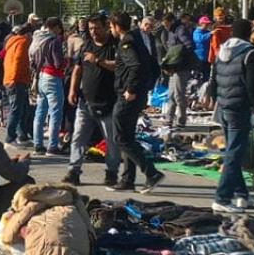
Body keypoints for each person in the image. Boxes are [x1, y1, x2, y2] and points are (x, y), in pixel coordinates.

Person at [210, 22, 254, 213]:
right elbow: (252, 87)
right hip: (239, 108)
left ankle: (242, 194)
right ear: (248, 33)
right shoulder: (250, 53)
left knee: (233, 151)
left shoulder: (221, 51)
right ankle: (222, 198)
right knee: (234, 154)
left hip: (224, 106)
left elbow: (213, 80)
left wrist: (215, 99)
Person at [109, 13, 166, 193]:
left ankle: (151, 172)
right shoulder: (137, 39)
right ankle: (128, 179)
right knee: (128, 137)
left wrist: (132, 89)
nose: (110, 30)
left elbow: (136, 66)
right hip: (137, 95)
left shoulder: (127, 43)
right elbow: (153, 66)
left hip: (128, 97)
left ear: (116, 26)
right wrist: (144, 89)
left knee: (120, 138)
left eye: (111, 26)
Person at [61, 15, 120, 187]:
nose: (94, 32)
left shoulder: (115, 45)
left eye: (97, 28)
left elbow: (119, 66)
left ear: (106, 27)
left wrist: (98, 61)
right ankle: (73, 171)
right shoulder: (86, 45)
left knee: (111, 140)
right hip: (85, 102)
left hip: (108, 103)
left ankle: (112, 172)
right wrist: (72, 90)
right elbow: (77, 69)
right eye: (91, 28)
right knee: (78, 137)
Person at [27, 17, 68, 155]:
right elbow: (58, 63)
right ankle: (52, 146)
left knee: (40, 112)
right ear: (56, 27)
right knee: (55, 112)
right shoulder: (54, 41)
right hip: (53, 77)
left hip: (40, 77)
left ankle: (38, 145)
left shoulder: (37, 38)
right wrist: (68, 60)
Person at [1, 21, 34, 146]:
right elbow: (18, 60)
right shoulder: (23, 43)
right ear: (28, 34)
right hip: (17, 80)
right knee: (16, 110)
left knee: (22, 109)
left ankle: (22, 135)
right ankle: (10, 138)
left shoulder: (12, 42)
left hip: (10, 78)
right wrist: (15, 78)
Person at [161, 13, 196, 128]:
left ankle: (181, 120)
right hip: (174, 68)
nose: (165, 26)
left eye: (166, 24)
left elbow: (189, 45)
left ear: (171, 21)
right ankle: (169, 118)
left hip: (181, 67)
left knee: (178, 95)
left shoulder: (180, 30)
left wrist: (177, 56)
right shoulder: (171, 32)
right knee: (171, 94)